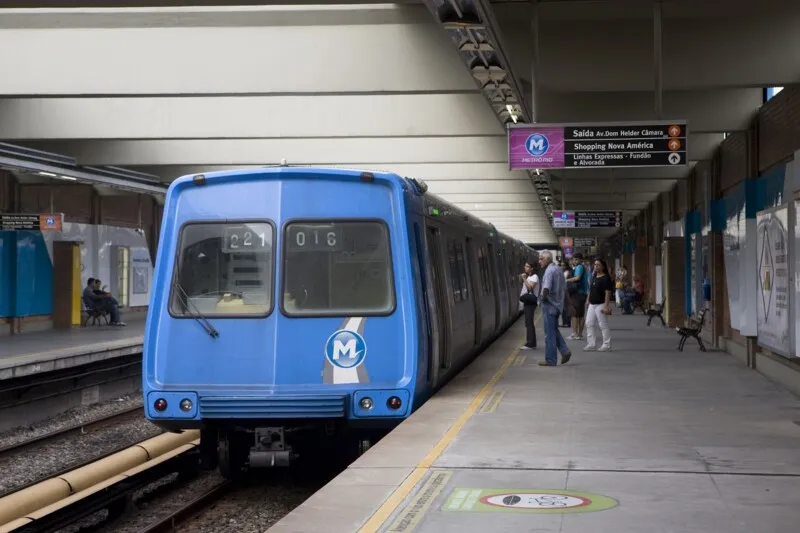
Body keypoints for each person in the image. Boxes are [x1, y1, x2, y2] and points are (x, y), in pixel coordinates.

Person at [537, 251, 572, 366]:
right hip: (558, 306)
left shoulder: (549, 271)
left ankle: (551, 360)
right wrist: (568, 305)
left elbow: (546, 288)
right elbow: (565, 289)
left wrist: (542, 298)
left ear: (548, 259)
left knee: (549, 334)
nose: (539, 261)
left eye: (541, 259)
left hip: (550, 305)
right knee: (554, 331)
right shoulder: (558, 270)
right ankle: (565, 351)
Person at [584, 258, 613, 351]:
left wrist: (606, 306)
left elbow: (607, 293)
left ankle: (606, 345)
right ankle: (591, 344)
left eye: (598, 265)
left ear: (603, 266)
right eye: (595, 265)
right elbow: (590, 290)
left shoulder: (606, 278)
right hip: (592, 304)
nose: (595, 266)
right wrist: (588, 300)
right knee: (589, 323)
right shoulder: (594, 276)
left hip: (601, 304)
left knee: (603, 325)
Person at [566, 254, 590, 340]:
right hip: (582, 293)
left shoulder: (579, 267)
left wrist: (566, 280)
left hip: (577, 293)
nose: (575, 261)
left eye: (577, 259)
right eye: (574, 259)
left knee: (574, 314)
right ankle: (579, 334)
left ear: (580, 260)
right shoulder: (583, 267)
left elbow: (577, 278)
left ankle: (575, 333)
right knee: (580, 314)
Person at [519, 262, 540, 350]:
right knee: (528, 322)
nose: (525, 267)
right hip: (528, 302)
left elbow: (530, 287)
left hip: (531, 302)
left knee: (529, 322)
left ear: (532, 268)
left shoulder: (534, 277)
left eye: (527, 266)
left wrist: (524, 278)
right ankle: (531, 342)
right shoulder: (529, 276)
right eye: (525, 265)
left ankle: (530, 343)